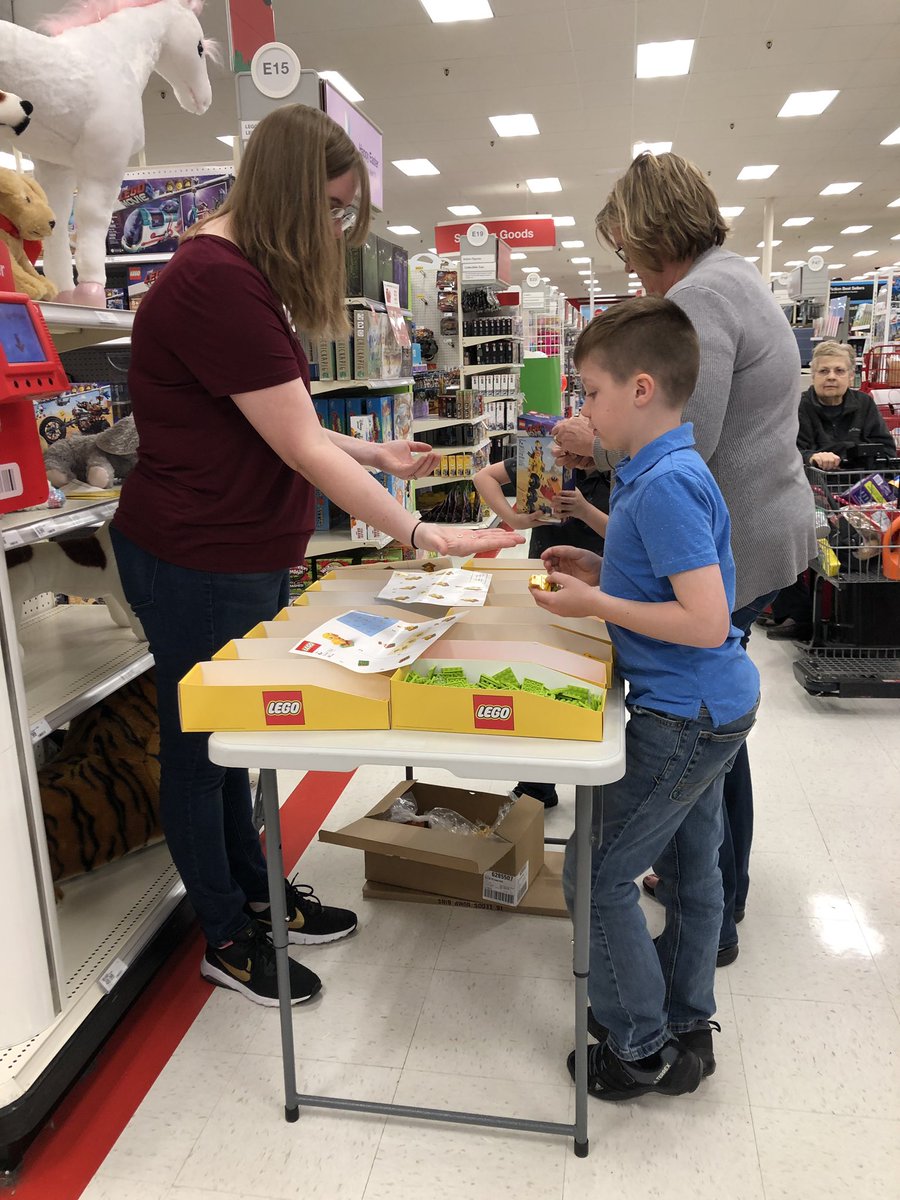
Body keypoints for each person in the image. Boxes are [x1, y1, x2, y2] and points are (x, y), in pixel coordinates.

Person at [110, 105, 522, 1007]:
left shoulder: (235, 272)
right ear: (293, 195)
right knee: (205, 746)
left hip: (235, 547)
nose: (337, 231)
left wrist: (376, 455)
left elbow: (266, 420)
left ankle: (254, 895)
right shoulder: (216, 281)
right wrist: (417, 531)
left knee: (234, 742)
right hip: (196, 553)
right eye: (333, 210)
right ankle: (226, 931)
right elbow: (298, 442)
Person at [552, 152, 815, 961]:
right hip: (758, 524)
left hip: (728, 543)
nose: (627, 264)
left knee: (701, 737)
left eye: (626, 246)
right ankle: (708, 890)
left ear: (648, 230)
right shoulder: (735, 277)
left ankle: (716, 904)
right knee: (715, 728)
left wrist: (587, 445)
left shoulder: (696, 300)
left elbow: (671, 435)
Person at [531, 296, 759, 1101]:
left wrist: (598, 607)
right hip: (715, 704)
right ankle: (690, 1023)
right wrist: (604, 569)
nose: (581, 410)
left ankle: (635, 1047)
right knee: (695, 872)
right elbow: (675, 580)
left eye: (588, 392)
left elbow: (702, 618)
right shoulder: (661, 470)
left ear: (639, 388)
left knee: (595, 874)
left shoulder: (661, 483)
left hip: (683, 714)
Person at [474, 456, 608, 808]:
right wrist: (515, 518)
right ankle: (536, 785)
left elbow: (634, 533)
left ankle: (593, 775)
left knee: (591, 677)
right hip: (544, 572)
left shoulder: (622, 464)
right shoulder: (546, 451)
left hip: (599, 587)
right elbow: (484, 476)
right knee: (538, 672)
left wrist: (582, 508)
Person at [763, 340, 896, 639]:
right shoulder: (798, 407)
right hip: (806, 493)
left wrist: (843, 454)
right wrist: (812, 456)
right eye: (824, 371)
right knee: (787, 537)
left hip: (859, 498)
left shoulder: (864, 405)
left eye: (839, 370)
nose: (831, 377)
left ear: (852, 376)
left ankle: (862, 620)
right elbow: (783, 452)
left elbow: (886, 450)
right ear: (813, 375)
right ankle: (797, 616)